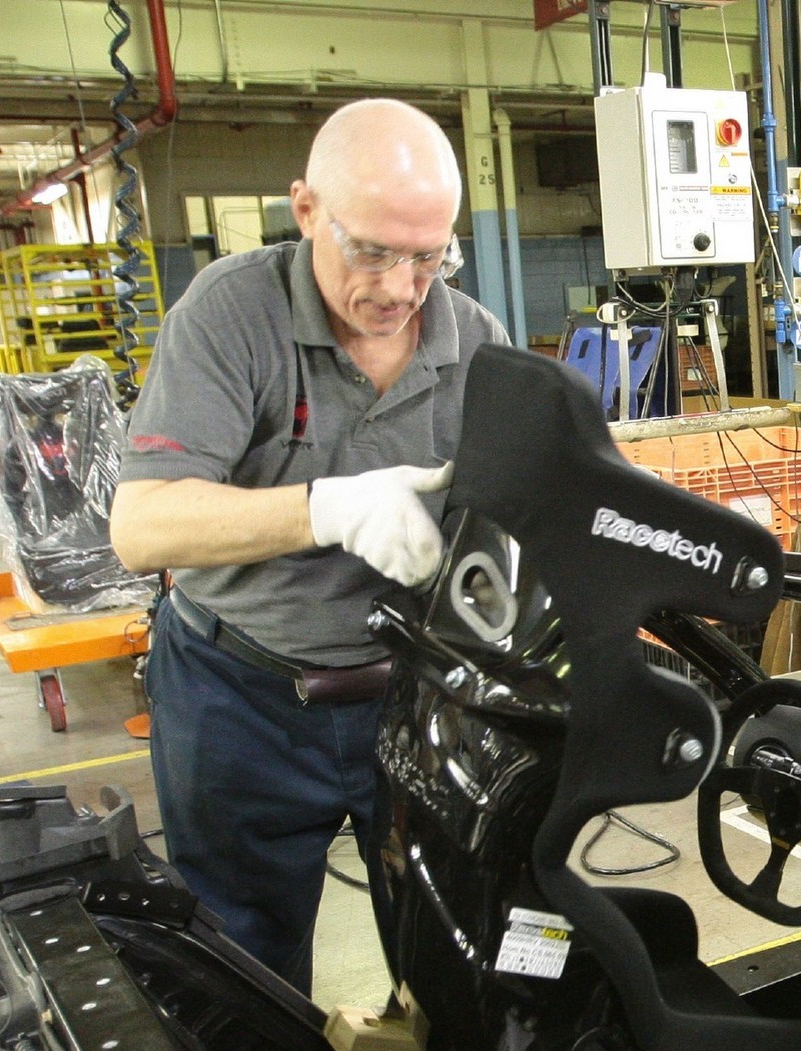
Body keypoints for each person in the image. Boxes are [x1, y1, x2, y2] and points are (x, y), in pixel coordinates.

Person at [111, 98, 508, 992]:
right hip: (240, 694)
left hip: (413, 692)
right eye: (371, 250)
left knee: (455, 946)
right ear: (305, 212)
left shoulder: (478, 340)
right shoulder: (231, 313)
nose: (403, 288)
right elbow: (142, 527)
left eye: (429, 255)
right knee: (240, 956)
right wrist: (326, 509)